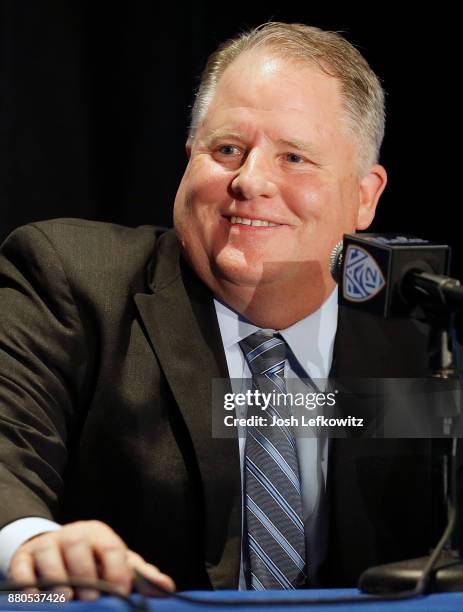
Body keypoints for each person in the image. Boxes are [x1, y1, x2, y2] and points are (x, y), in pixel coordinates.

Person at [0, 22, 439, 599]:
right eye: (227, 149)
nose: (250, 181)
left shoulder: (421, 337)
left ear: (364, 196)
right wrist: (31, 542)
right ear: (189, 161)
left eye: (294, 157)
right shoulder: (74, 282)